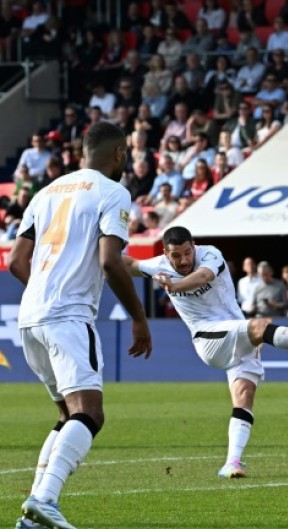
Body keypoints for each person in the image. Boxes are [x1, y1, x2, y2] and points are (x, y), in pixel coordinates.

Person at [10, 122, 153, 529]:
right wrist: (139, 318)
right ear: (120, 155)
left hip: (31, 315)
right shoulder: (113, 192)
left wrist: (46, 287)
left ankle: (34, 516)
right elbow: (110, 261)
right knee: (90, 413)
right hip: (68, 315)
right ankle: (46, 499)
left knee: (65, 415)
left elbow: (16, 261)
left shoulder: (45, 192)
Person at [123, 227, 288, 479]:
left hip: (236, 334)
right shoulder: (158, 266)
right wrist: (98, 246)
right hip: (209, 339)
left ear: (194, 246)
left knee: (244, 397)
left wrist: (174, 286)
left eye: (187, 253)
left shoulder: (210, 255)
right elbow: (128, 263)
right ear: (166, 253)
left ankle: (232, 462)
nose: (184, 260)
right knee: (260, 326)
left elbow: (202, 277)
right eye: (176, 256)